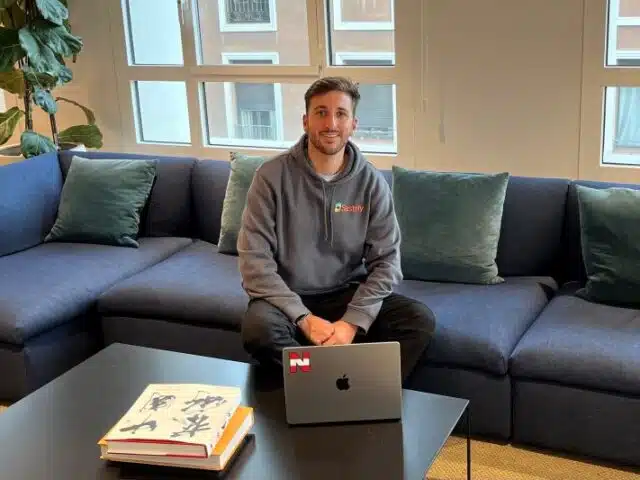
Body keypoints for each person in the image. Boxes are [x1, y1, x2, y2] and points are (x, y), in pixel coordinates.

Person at [237, 76, 435, 385]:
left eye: (340, 114)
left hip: (345, 293)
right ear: (305, 121)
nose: (331, 123)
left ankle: (356, 392)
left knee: (418, 321)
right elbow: (254, 262)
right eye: (321, 112)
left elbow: (387, 263)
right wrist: (304, 319)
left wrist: (350, 324)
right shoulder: (270, 177)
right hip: (286, 296)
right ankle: (330, 390)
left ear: (353, 124)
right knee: (258, 331)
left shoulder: (371, 183)